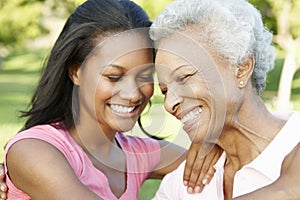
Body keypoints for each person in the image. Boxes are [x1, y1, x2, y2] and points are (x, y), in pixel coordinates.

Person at [2, 0, 222, 199]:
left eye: (145, 76)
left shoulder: (136, 154)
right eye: (114, 77)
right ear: (75, 72)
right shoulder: (33, 150)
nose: (133, 94)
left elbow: (226, 162)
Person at [150, 0, 300, 199]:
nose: (169, 104)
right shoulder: (182, 184)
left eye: (183, 78)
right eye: (164, 90)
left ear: (242, 68)